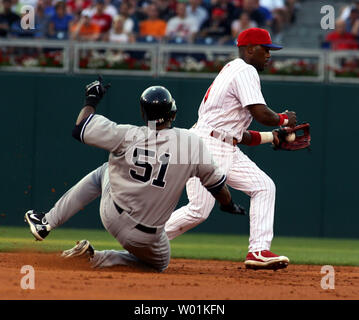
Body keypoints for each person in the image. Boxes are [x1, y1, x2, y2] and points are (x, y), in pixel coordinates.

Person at [24, 79, 244, 272]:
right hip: (147, 238)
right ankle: (98, 259)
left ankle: (47, 222)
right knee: (159, 265)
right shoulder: (191, 143)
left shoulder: (127, 135)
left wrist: (91, 100)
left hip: (112, 215)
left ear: (142, 113)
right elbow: (217, 186)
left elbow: (80, 127)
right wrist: (228, 204)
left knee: (105, 170)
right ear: (173, 113)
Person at [165, 27, 296, 271]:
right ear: (249, 49)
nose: (269, 54)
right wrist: (284, 120)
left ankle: (258, 250)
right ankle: (143, 242)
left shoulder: (231, 69)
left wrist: (272, 137)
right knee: (198, 210)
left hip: (220, 143)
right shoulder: (245, 70)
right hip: (209, 145)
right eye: (265, 49)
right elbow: (262, 113)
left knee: (263, 186)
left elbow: (238, 134)